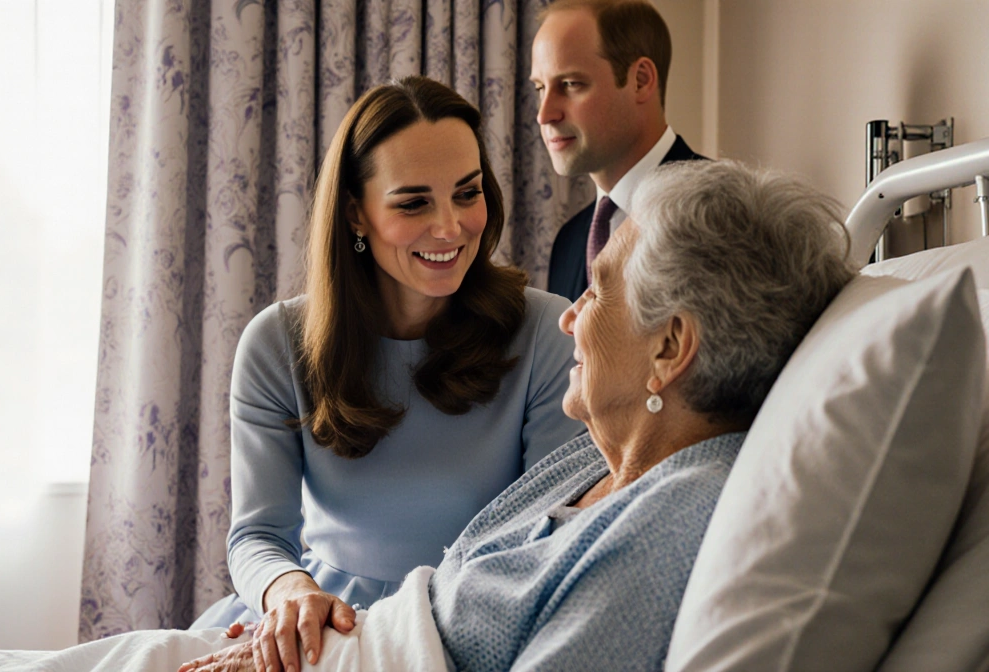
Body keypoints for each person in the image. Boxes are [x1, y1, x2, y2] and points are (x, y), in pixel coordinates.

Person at [181, 160, 858, 672]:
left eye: (596, 293)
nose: (569, 317)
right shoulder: (601, 460)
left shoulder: (672, 526)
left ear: (670, 347)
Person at [190, 75, 586, 666]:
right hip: (322, 620)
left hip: (471, 622)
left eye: (467, 192)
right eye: (413, 202)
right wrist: (289, 592)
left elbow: (541, 548)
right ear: (355, 213)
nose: (451, 227)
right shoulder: (276, 345)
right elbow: (258, 538)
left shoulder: (547, 336)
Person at [532, 0, 707, 302]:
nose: (544, 114)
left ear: (640, 81)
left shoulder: (721, 214)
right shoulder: (568, 242)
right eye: (540, 89)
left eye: (571, 84)